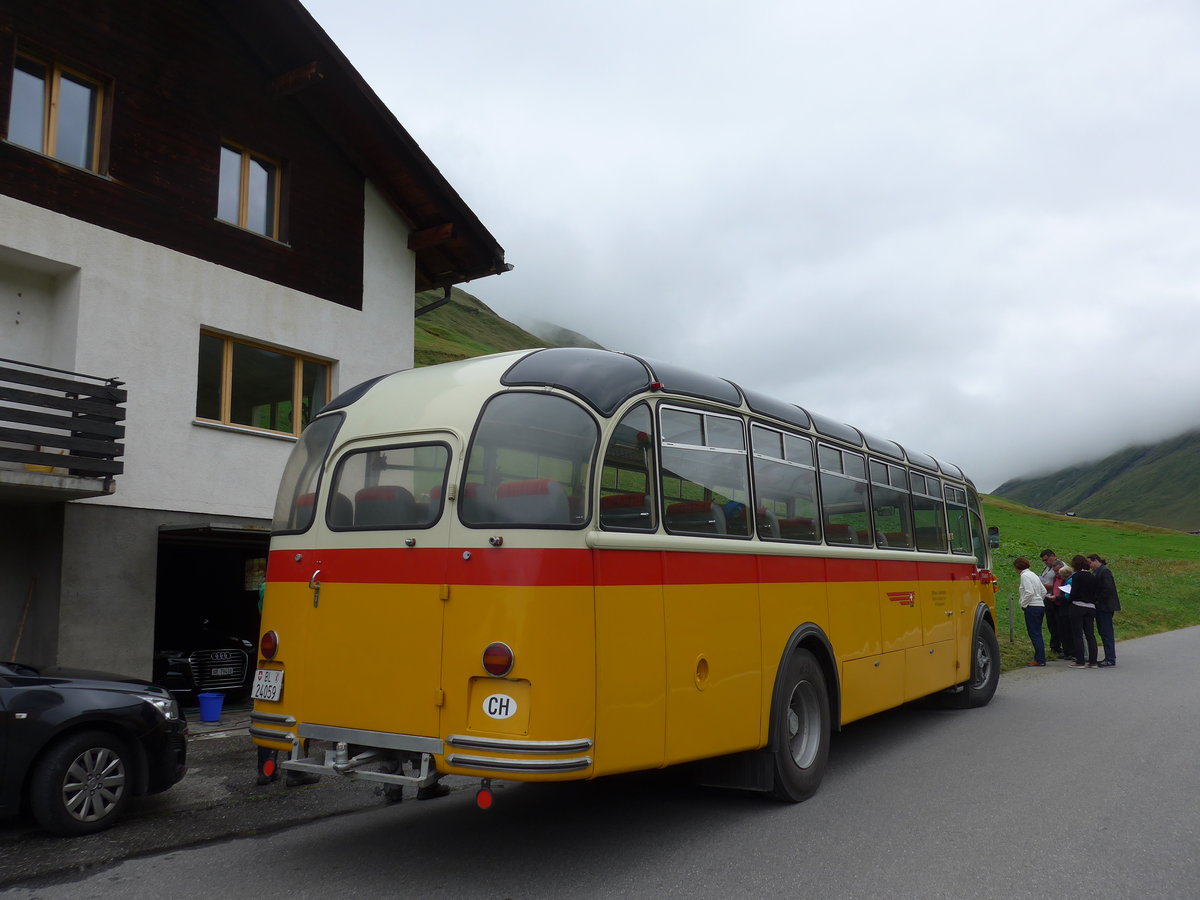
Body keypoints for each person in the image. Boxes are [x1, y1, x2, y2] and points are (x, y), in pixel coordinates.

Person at [1063, 554, 1099, 668]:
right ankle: (1093, 661)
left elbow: (1074, 593)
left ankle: (1080, 661)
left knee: (1078, 634)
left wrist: (1069, 601)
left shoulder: (1077, 576)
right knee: (1090, 635)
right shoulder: (1093, 577)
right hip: (1091, 607)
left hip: (1078, 606)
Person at [1088, 554, 1121, 667]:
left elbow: (1107, 589)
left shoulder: (1104, 571)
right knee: (1103, 631)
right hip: (1101, 606)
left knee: (1106, 632)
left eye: (1090, 563)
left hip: (1105, 606)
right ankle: (1109, 657)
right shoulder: (1098, 571)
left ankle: (1110, 658)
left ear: (1096, 561)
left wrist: (1096, 599)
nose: (1090, 566)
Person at [1014, 557, 1048, 666]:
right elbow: (1044, 591)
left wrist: (1023, 604)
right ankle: (1041, 657)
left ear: (1017, 567)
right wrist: (1039, 600)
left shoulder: (1024, 576)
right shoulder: (1033, 574)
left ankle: (1040, 659)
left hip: (1032, 606)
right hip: (1040, 605)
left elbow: (1029, 592)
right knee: (1038, 632)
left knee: (1034, 633)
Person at [1039, 550, 1069, 659]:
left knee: (1059, 625)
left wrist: (1044, 586)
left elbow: (1060, 584)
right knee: (1051, 624)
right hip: (1049, 598)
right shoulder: (1047, 568)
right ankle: (1055, 646)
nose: (1045, 562)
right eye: (1043, 561)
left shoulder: (1061, 568)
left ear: (1053, 556)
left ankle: (1063, 648)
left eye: (1046, 560)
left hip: (1057, 598)